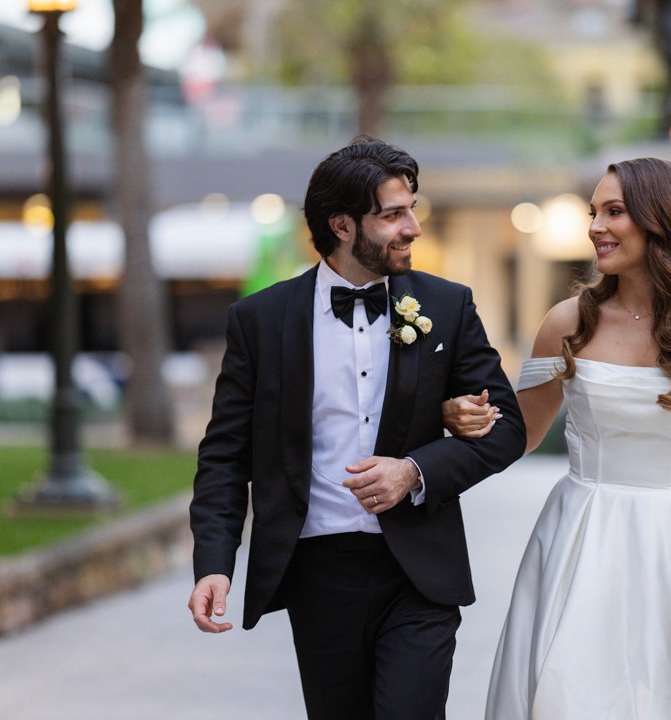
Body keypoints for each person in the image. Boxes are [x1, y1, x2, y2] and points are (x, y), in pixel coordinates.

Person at [187, 136, 526, 720]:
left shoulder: (447, 307)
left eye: (412, 208)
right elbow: (225, 454)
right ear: (342, 226)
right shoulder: (260, 322)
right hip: (319, 572)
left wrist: (415, 470)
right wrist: (215, 562)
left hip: (420, 571)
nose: (413, 227)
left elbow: (507, 429)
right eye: (393, 215)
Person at [446, 157, 671, 719]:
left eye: (614, 212)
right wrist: (458, 416)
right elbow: (522, 432)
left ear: (662, 221)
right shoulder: (567, 321)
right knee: (572, 694)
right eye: (593, 212)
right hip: (585, 534)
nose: (595, 227)